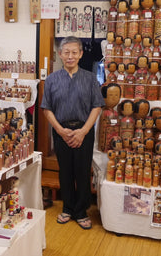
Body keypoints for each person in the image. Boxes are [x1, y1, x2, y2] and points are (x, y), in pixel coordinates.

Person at [41, 36, 105, 230]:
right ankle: (68, 208)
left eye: (74, 52)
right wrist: (60, 130)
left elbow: (97, 106)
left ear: (81, 54)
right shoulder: (51, 80)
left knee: (83, 171)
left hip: (84, 132)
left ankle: (81, 211)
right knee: (66, 171)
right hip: (61, 132)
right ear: (60, 55)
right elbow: (46, 108)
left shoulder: (90, 78)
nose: (70, 56)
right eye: (66, 52)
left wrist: (83, 131)